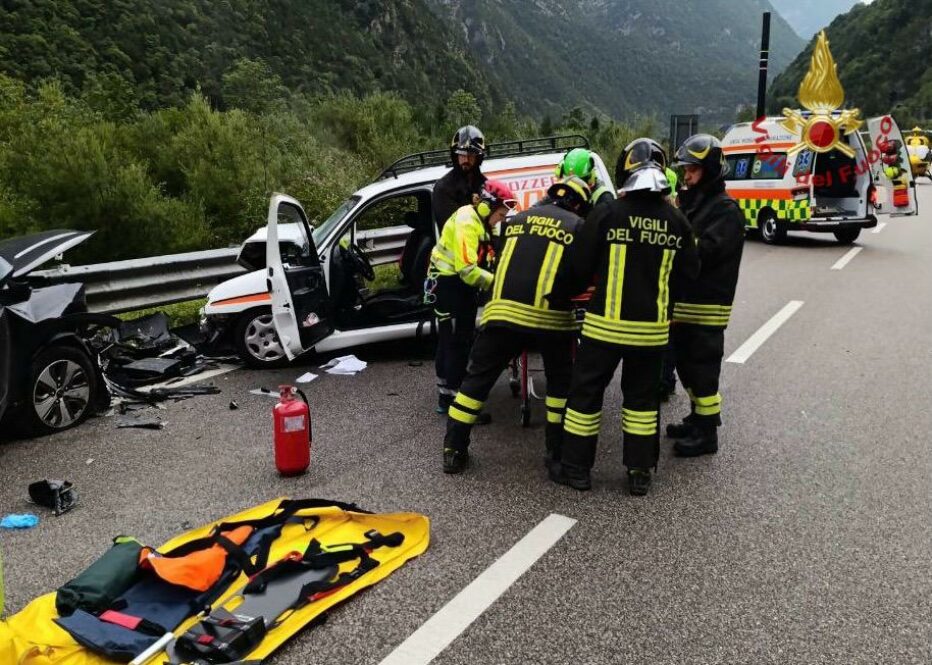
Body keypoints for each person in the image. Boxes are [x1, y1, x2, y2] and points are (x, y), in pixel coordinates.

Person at [550, 138, 699, 496]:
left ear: (625, 171)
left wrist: (558, 298)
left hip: (604, 328)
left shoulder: (607, 213)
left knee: (585, 397)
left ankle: (576, 470)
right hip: (650, 334)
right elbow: (690, 273)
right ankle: (639, 472)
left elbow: (579, 266)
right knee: (642, 403)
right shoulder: (677, 221)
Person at [441, 177, 594, 474]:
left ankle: (453, 450)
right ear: (578, 204)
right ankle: (555, 455)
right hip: (549, 317)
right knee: (560, 385)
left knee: (475, 382)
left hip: (501, 311)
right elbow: (582, 276)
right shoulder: (577, 226)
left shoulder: (515, 221)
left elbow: (497, 264)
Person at [666, 134, 745, 457]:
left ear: (710, 170)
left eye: (693, 171)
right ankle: (697, 418)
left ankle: (707, 433)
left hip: (706, 306)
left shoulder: (725, 210)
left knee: (703, 370)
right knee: (686, 366)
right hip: (686, 305)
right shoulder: (698, 203)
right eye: (686, 170)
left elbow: (703, 252)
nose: (686, 176)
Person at [427, 180, 517, 416]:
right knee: (455, 341)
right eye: (500, 214)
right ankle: (455, 402)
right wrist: (498, 283)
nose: (500, 220)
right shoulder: (467, 221)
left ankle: (447, 394)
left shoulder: (484, 221)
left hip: (458, 283)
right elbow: (467, 269)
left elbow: (493, 252)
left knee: (460, 338)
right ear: (487, 207)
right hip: (447, 283)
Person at [432, 125, 488, 229]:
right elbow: (453, 227)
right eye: (462, 154)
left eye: (471, 154)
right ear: (455, 156)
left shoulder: (485, 185)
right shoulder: (443, 188)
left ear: (478, 157)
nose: (466, 159)